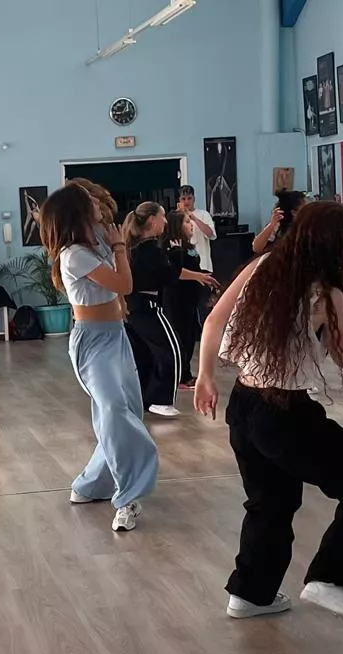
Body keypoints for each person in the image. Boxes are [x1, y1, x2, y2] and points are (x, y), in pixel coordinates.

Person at [194, 201, 343, 625]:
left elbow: (213, 322)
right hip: (285, 413)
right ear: (335, 244)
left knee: (270, 502)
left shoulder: (262, 266)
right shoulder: (328, 293)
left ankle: (251, 594)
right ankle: (332, 579)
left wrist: (205, 376)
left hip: (243, 404)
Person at [41, 182, 158, 533]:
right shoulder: (74, 254)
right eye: (88, 200)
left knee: (126, 411)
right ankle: (127, 496)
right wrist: (119, 246)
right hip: (92, 342)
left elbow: (117, 289)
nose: (96, 202)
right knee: (114, 412)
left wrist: (115, 244)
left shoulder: (96, 239)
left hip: (114, 335)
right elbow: (124, 284)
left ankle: (91, 484)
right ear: (77, 212)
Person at [125, 202, 219, 417]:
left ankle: (145, 398)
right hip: (148, 306)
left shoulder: (138, 248)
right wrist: (176, 255)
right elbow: (168, 276)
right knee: (173, 350)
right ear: (152, 220)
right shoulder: (151, 249)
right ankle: (161, 398)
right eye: (162, 217)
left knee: (146, 354)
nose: (165, 221)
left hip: (137, 307)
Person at [162, 211, 207, 388]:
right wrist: (198, 276)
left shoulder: (189, 246)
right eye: (187, 222)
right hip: (176, 298)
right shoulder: (170, 246)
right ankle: (181, 376)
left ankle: (185, 372)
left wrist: (204, 276)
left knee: (190, 336)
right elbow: (176, 271)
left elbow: (194, 266)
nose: (191, 225)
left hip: (190, 298)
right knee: (180, 336)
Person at [178, 185, 217, 275]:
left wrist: (195, 219)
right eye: (183, 199)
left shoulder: (204, 214)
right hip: (184, 267)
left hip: (203, 265)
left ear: (194, 199)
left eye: (189, 198)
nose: (186, 202)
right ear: (179, 200)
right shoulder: (176, 217)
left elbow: (211, 235)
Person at [252, 190, 305, 254]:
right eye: (305, 208)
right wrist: (272, 224)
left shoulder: (309, 224)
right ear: (293, 212)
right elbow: (257, 248)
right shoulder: (278, 225)